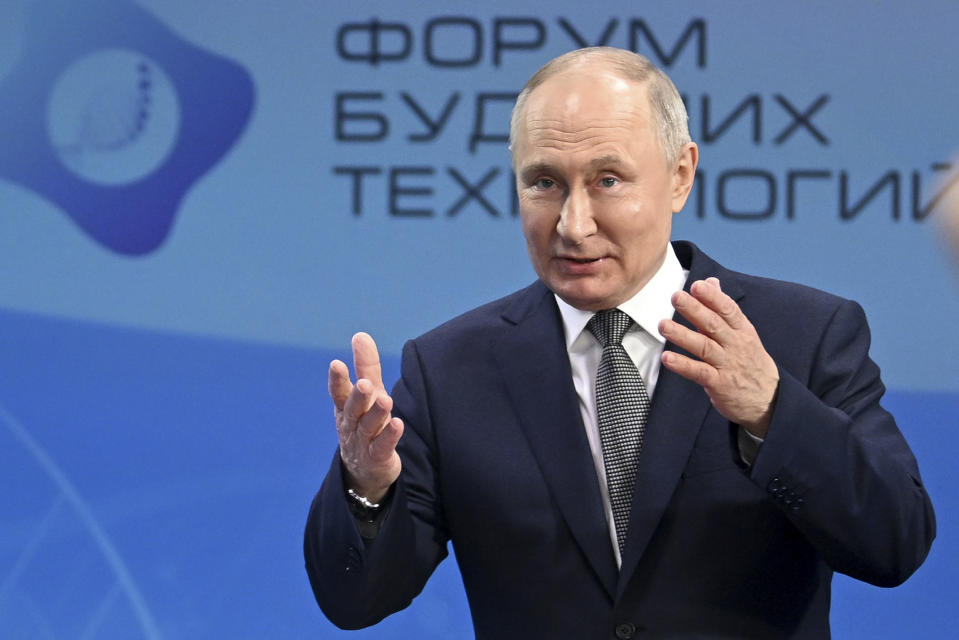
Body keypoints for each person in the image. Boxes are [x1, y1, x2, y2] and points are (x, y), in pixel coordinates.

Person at [304, 47, 935, 639]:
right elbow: (355, 602)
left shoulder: (803, 335)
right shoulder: (449, 369)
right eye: (544, 182)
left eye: (608, 180)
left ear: (681, 175)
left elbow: (895, 544)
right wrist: (366, 487)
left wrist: (772, 411)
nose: (573, 225)